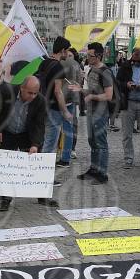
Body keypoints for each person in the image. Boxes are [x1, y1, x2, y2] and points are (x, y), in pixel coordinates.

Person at [0, 76, 54, 211]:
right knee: (6, 166)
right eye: (29, 93)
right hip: (6, 133)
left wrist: (35, 144)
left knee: (35, 164)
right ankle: (5, 200)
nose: (32, 96)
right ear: (22, 88)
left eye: (35, 93)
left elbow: (39, 125)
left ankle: (42, 195)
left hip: (27, 133)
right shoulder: (6, 92)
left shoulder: (40, 101)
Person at [69, 42, 114, 184]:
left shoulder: (105, 72)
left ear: (99, 56)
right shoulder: (91, 70)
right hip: (91, 111)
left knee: (100, 142)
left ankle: (103, 174)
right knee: (92, 141)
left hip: (100, 113)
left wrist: (92, 97)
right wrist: (81, 89)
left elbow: (108, 95)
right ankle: (94, 170)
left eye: (91, 55)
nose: (88, 58)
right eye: (87, 55)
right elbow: (92, 91)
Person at [37, 36, 74, 170]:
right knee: (50, 143)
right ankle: (44, 177)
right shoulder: (58, 67)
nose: (68, 54)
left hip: (41, 106)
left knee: (43, 141)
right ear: (63, 50)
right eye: (67, 51)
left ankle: (40, 173)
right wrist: (65, 112)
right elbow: (58, 92)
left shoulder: (44, 62)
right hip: (53, 109)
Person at [117, 48, 140, 168]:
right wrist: (127, 84)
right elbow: (117, 82)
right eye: (133, 57)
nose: (134, 60)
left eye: (137, 58)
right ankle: (128, 158)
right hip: (128, 102)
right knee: (127, 134)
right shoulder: (125, 66)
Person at [64, 47, 83, 160]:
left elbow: (79, 83)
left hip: (73, 100)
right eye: (67, 56)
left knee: (72, 125)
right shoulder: (61, 66)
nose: (68, 58)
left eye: (70, 56)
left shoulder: (77, 67)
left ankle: (72, 148)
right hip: (61, 99)